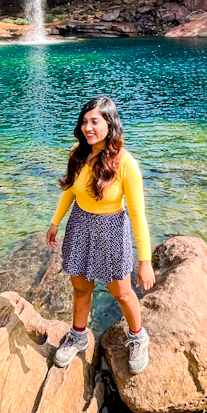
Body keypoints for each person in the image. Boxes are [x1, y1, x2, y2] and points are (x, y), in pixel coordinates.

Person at [45, 96, 154, 374]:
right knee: (81, 287)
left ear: (110, 123)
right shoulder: (78, 153)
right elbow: (70, 189)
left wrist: (145, 260)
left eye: (95, 121)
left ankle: (138, 335)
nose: (88, 127)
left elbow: (138, 214)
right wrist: (55, 221)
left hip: (111, 229)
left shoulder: (126, 163)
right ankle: (78, 336)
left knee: (122, 291)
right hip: (80, 225)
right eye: (84, 121)